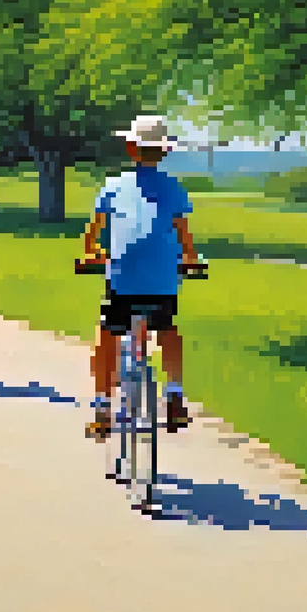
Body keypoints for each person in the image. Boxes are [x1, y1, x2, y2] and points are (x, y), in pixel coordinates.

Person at [79, 115, 201, 440]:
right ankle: (174, 395)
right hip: (162, 278)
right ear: (164, 152)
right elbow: (184, 234)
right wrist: (191, 260)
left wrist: (90, 254)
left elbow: (94, 233)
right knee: (167, 328)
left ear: (131, 148)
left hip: (123, 276)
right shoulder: (174, 187)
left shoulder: (113, 185)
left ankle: (102, 408)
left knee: (107, 334)